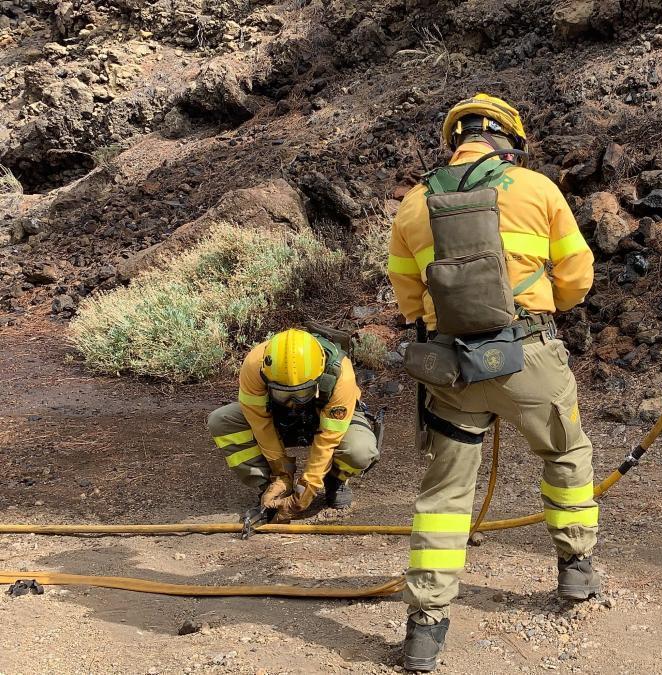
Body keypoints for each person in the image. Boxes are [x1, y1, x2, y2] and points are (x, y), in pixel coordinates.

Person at [387, 93, 599, 672]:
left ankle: (425, 628)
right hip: (528, 357)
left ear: (454, 141)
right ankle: (576, 571)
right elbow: (578, 278)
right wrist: (538, 311)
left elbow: (408, 300)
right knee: (566, 455)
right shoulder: (537, 189)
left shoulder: (414, 203)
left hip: (452, 369)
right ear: (509, 141)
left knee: (444, 495)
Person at [207, 328, 379, 520]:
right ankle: (269, 486)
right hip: (278, 419)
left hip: (326, 419)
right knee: (222, 420)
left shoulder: (341, 373)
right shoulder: (254, 365)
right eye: (283, 394)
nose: (292, 402)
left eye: (302, 393)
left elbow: (328, 439)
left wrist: (308, 488)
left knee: (360, 450)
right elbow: (261, 426)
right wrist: (281, 476)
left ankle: (335, 480)